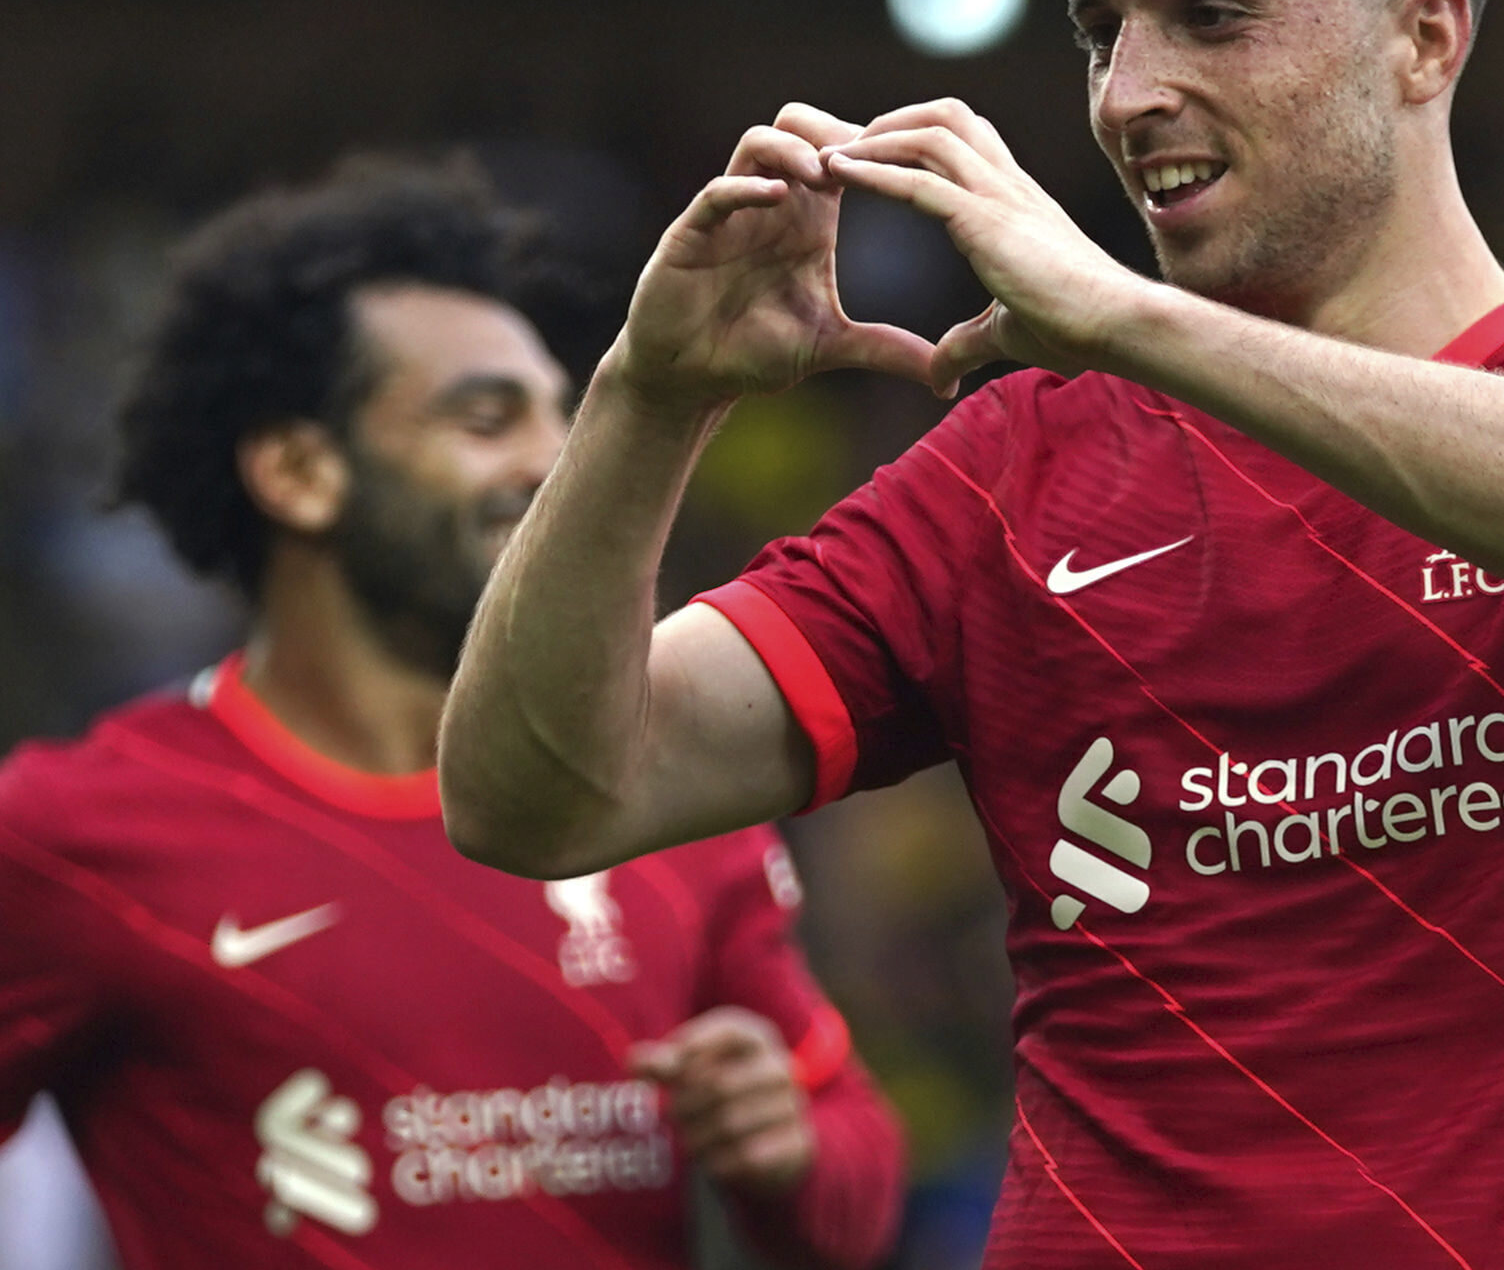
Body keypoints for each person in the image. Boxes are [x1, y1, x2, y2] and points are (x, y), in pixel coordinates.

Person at [442, 0, 1504, 1266]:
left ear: (1423, 38)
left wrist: (1121, 317)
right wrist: (648, 397)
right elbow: (538, 792)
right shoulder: (1014, 470)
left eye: (1209, 15)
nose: (1125, 94)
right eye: (1104, 27)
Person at [0, 161, 906, 1267]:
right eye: (486, 420)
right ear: (297, 471)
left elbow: (855, 1202)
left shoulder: (662, 788)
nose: (550, 461)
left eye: (561, 419)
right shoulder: (76, 834)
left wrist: (788, 1147)